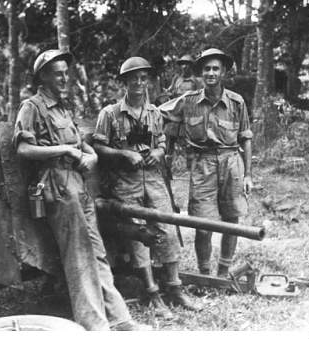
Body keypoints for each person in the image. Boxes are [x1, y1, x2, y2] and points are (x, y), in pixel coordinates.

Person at [13, 49, 145, 331]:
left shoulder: (63, 108)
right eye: (58, 73)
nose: (64, 78)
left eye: (65, 73)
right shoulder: (32, 107)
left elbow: (82, 143)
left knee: (97, 251)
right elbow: (23, 148)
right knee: (79, 255)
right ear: (43, 76)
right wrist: (65, 151)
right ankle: (94, 325)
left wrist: (91, 156)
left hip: (79, 185)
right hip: (57, 185)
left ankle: (119, 318)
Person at [93, 56, 198, 319]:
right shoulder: (110, 114)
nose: (140, 83)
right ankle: (152, 293)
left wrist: (159, 152)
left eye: (144, 78)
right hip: (125, 182)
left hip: (152, 178)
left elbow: (162, 142)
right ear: (125, 82)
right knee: (139, 235)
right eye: (133, 78)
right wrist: (123, 155)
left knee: (168, 226)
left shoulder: (154, 113)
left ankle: (174, 288)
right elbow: (97, 147)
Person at [159, 48, 253, 277]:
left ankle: (223, 271)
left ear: (223, 73)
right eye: (207, 69)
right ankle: (204, 273)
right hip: (202, 164)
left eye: (215, 69)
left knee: (232, 219)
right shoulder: (188, 101)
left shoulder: (236, 102)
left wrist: (248, 174)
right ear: (201, 73)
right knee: (202, 223)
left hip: (231, 163)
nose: (211, 73)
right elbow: (158, 114)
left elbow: (246, 139)